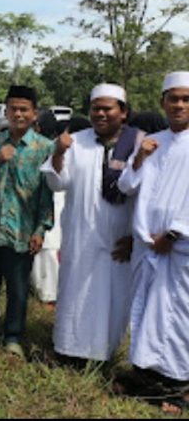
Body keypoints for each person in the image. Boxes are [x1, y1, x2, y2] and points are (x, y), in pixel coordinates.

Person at [40, 83, 141, 364]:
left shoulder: (138, 144)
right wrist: (59, 153)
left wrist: (135, 237)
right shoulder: (75, 141)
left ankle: (104, 355)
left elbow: (146, 196)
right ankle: (68, 351)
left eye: (107, 108)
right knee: (75, 294)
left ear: (123, 112)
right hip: (81, 237)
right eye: (95, 108)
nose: (100, 113)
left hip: (118, 240)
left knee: (113, 298)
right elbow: (56, 182)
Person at [117, 72, 189, 415]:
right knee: (145, 310)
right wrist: (141, 158)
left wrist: (174, 233)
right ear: (162, 102)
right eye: (173, 98)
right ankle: (146, 376)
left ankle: (178, 385)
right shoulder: (153, 142)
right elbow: (126, 187)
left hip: (180, 250)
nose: (179, 105)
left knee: (178, 315)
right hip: (148, 247)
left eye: (186, 99)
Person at [0, 85, 54, 360]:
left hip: (22, 231)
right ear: (6, 111)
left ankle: (13, 336)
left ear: (34, 114)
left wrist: (40, 229)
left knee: (19, 288)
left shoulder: (44, 148)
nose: (18, 114)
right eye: (13, 109)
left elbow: (47, 194)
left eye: (24, 110)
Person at [30, 109, 62, 309]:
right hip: (46, 216)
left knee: (48, 254)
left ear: (38, 127)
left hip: (50, 217)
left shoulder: (49, 150)